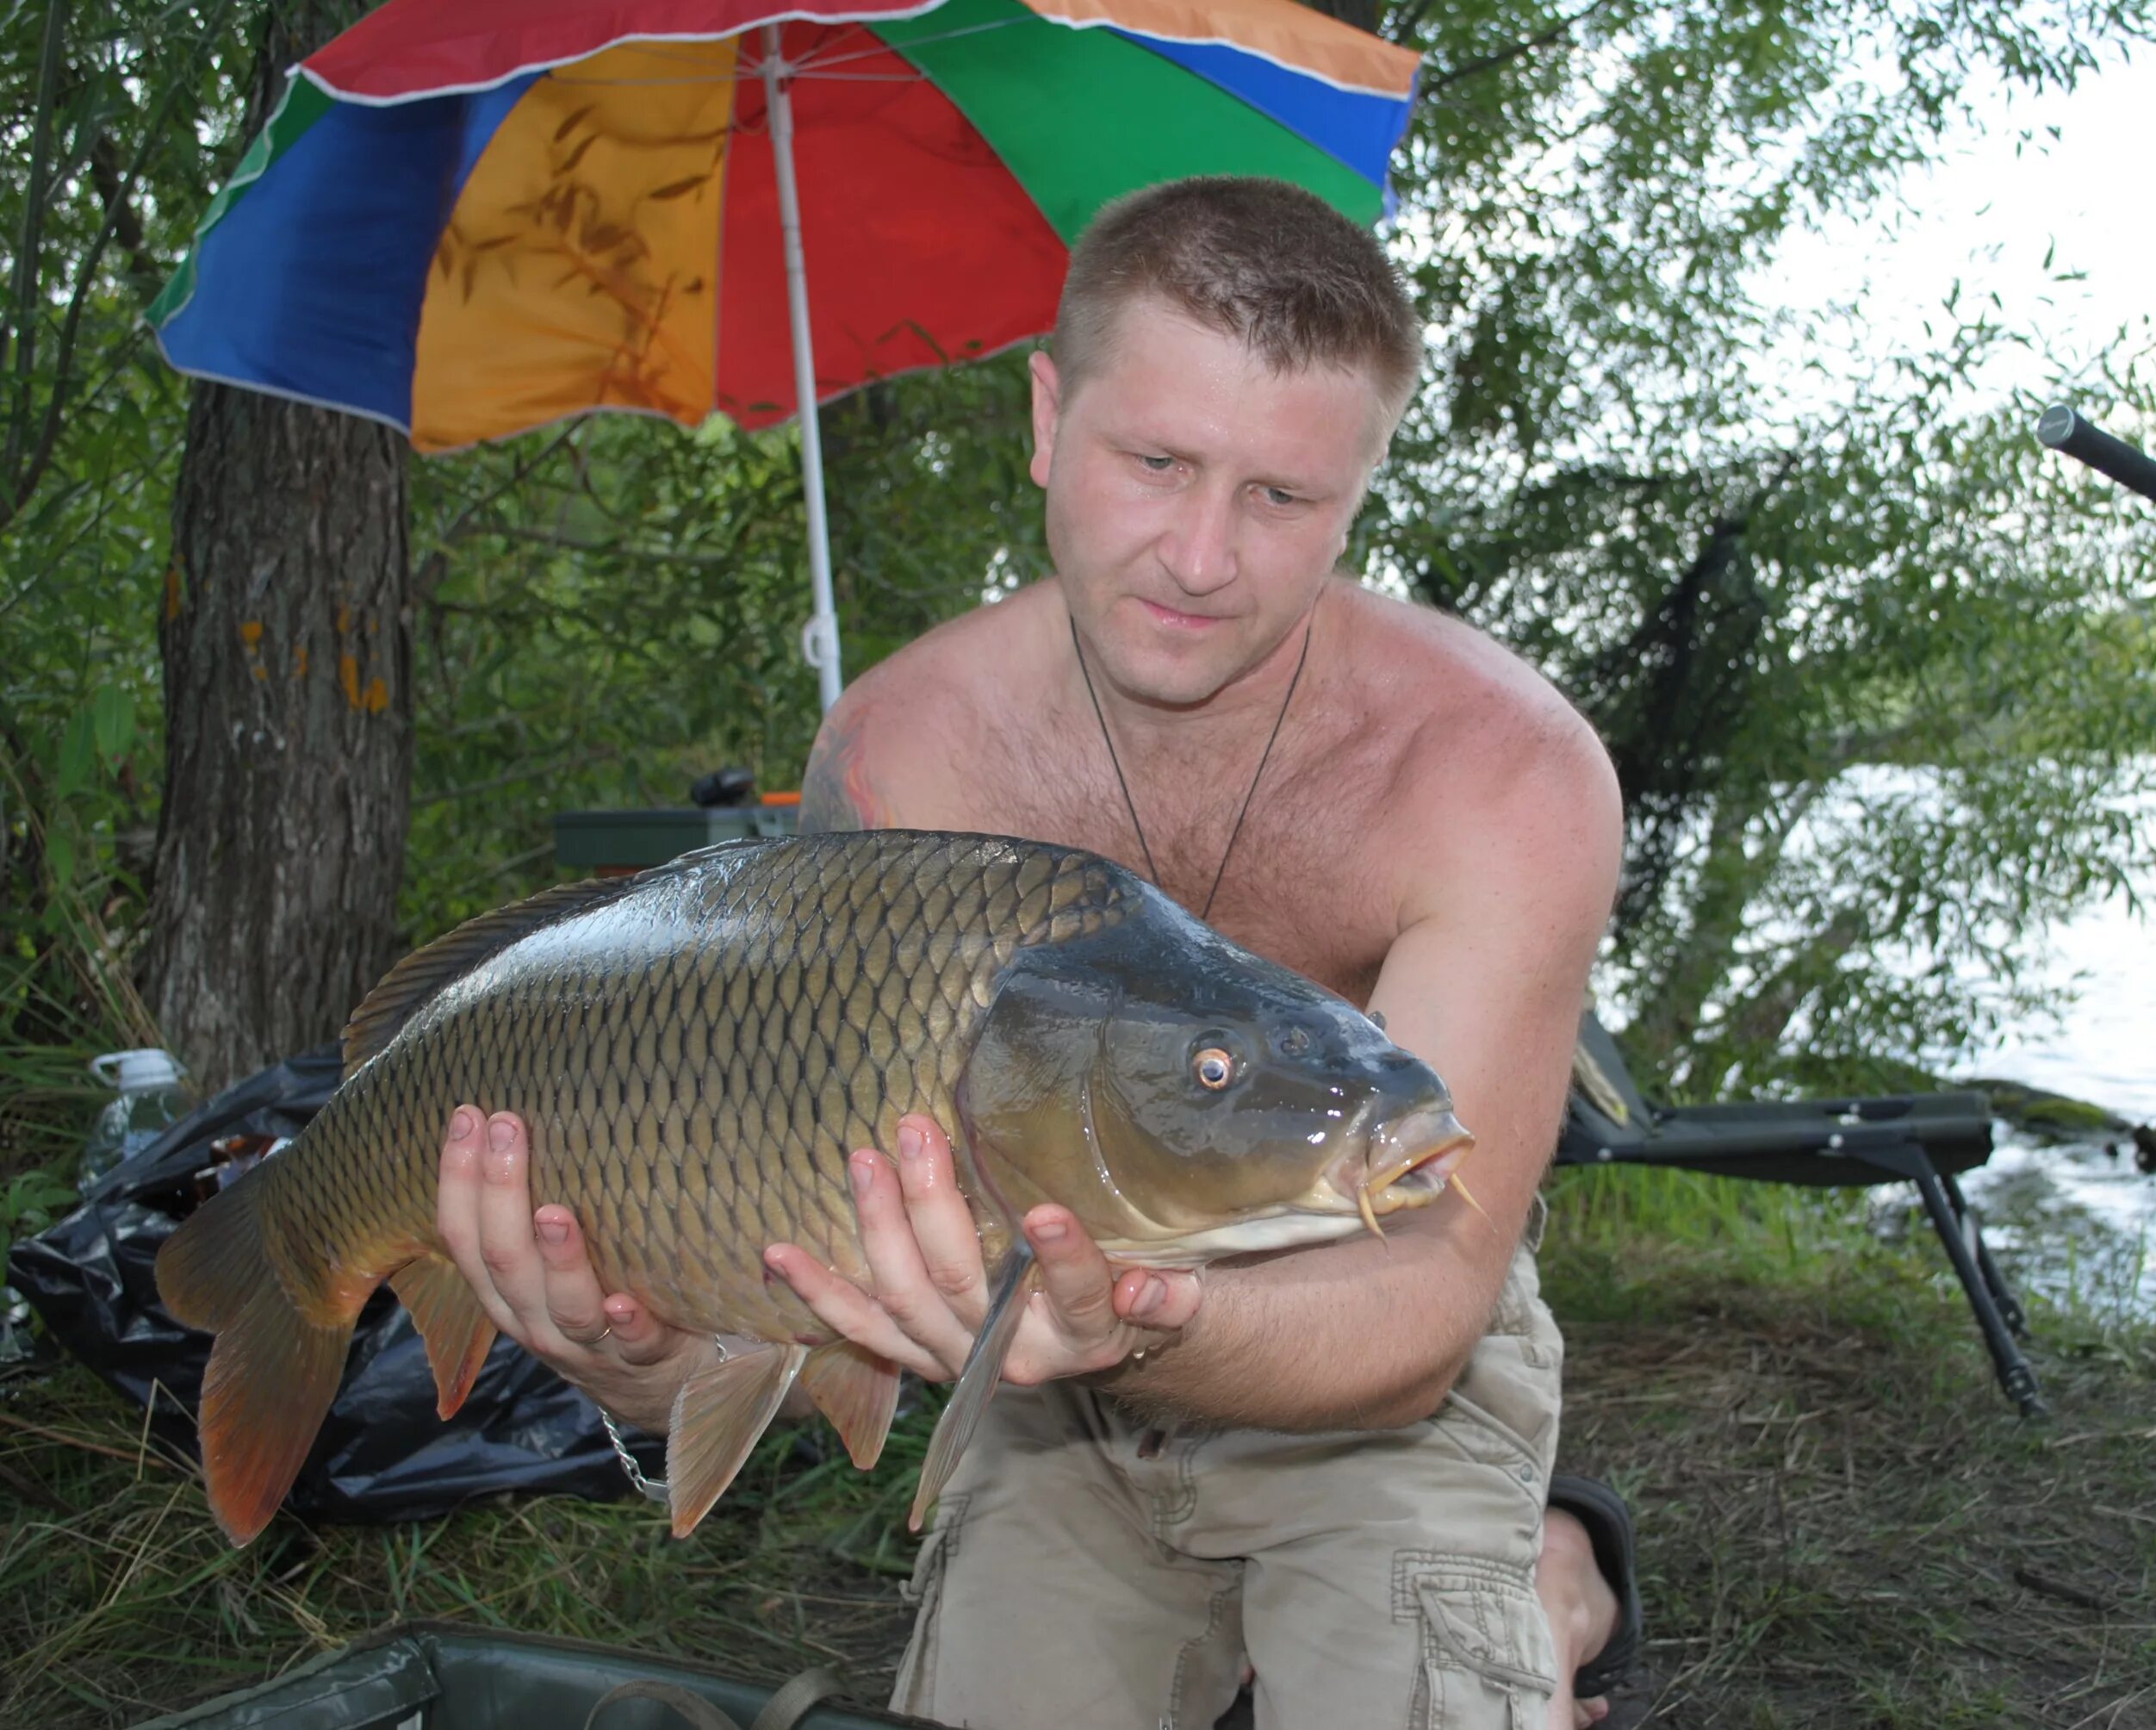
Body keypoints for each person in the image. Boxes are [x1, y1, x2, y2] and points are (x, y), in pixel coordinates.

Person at [435, 176, 1631, 1727]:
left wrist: (1133, 1325)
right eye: (1156, 462)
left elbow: (1421, 1297)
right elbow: (819, 1266)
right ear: (1047, 419)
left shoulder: (1501, 773)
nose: (1203, 554)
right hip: (1038, 1397)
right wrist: (644, 1352)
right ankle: (1544, 1584)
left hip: (1372, 1369)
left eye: (1283, 499)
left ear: (1359, 492)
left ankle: (1538, 1570)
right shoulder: (903, 750)